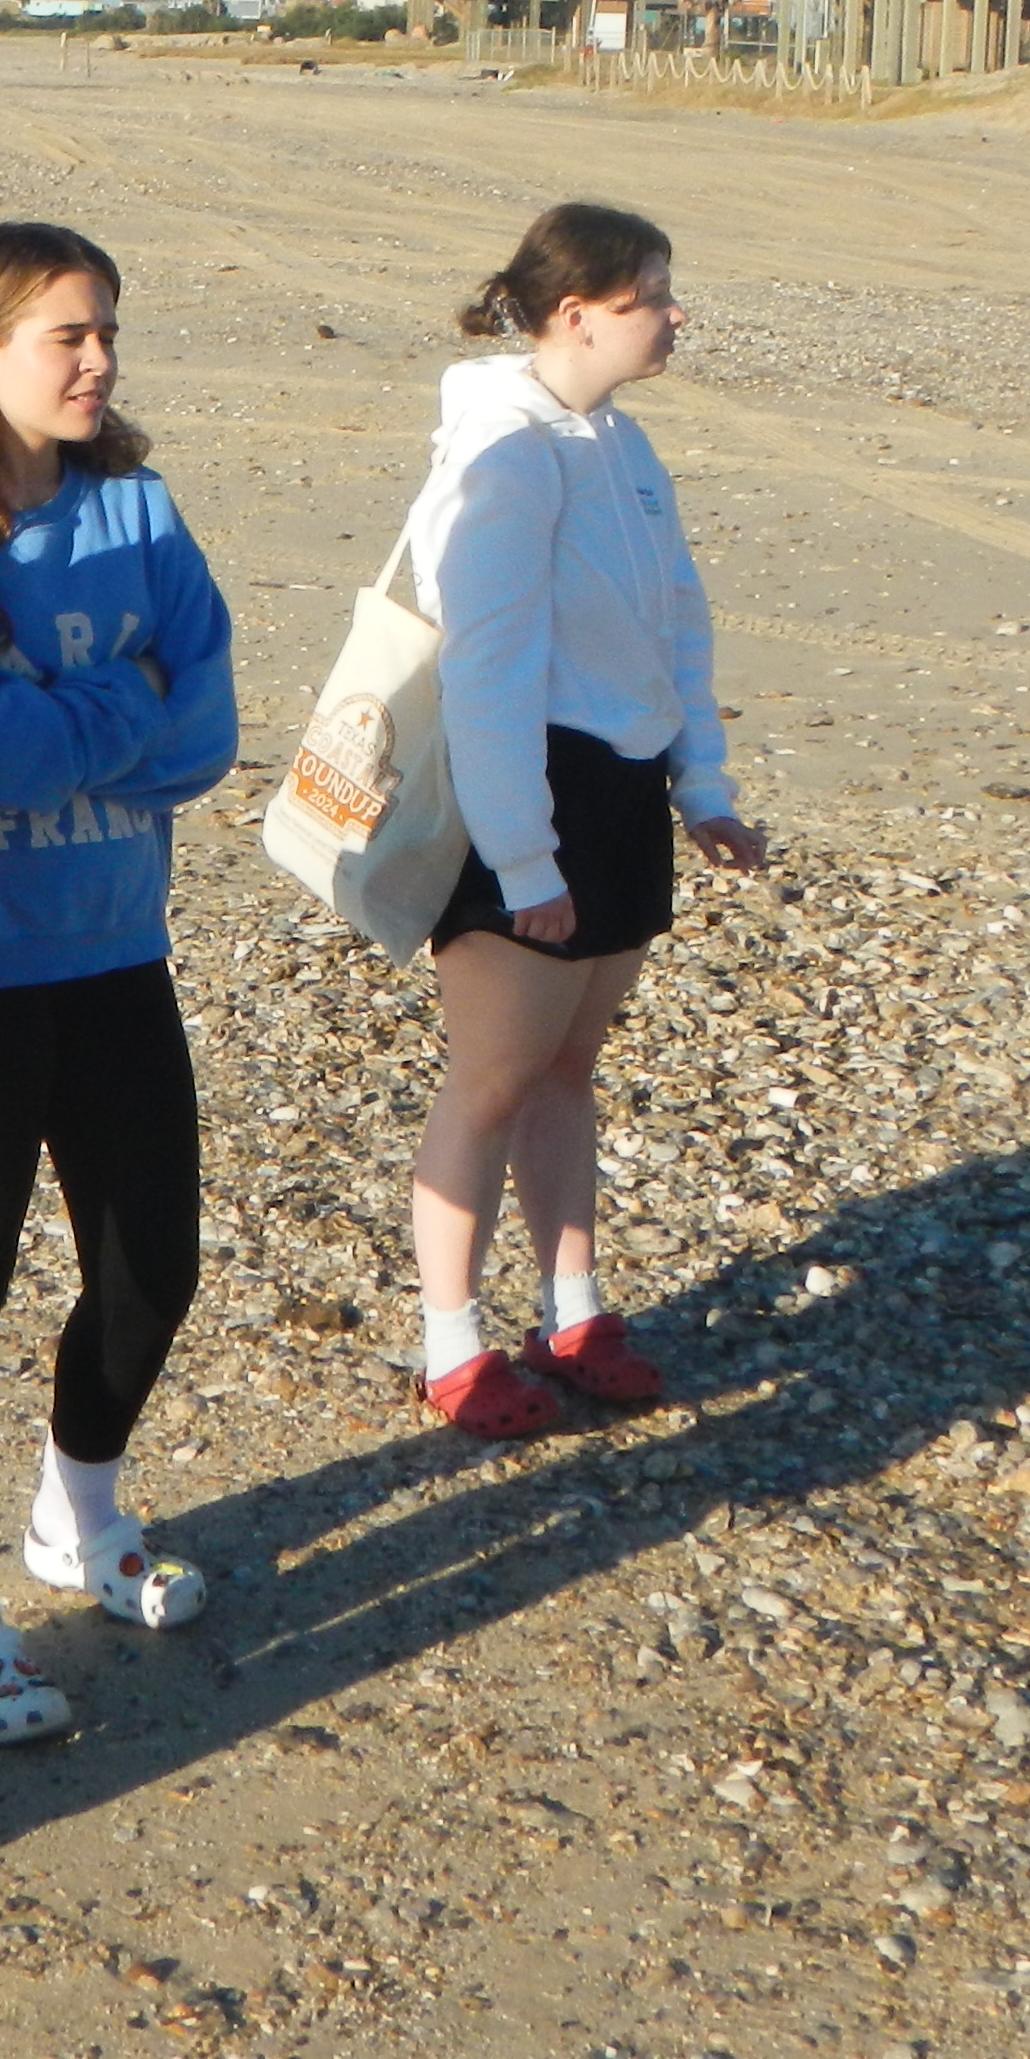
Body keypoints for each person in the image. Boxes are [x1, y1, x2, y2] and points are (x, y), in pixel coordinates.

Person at [0, 225, 236, 1748]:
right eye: (64, 336)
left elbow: (208, 730)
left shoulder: (138, 513)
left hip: (113, 952)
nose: (97, 361)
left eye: (106, 333)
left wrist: (61, 713)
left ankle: (77, 1511)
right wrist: (119, 707)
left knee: (157, 1267)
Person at [402, 200, 765, 1441]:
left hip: (618, 790)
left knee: (568, 1068)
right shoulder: (505, 452)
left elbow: (677, 621)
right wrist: (519, 855)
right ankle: (451, 1343)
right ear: (576, 315)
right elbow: (487, 669)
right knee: (493, 1077)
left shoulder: (619, 442)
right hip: (523, 790)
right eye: (652, 297)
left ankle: (574, 1310)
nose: (674, 317)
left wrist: (702, 786)